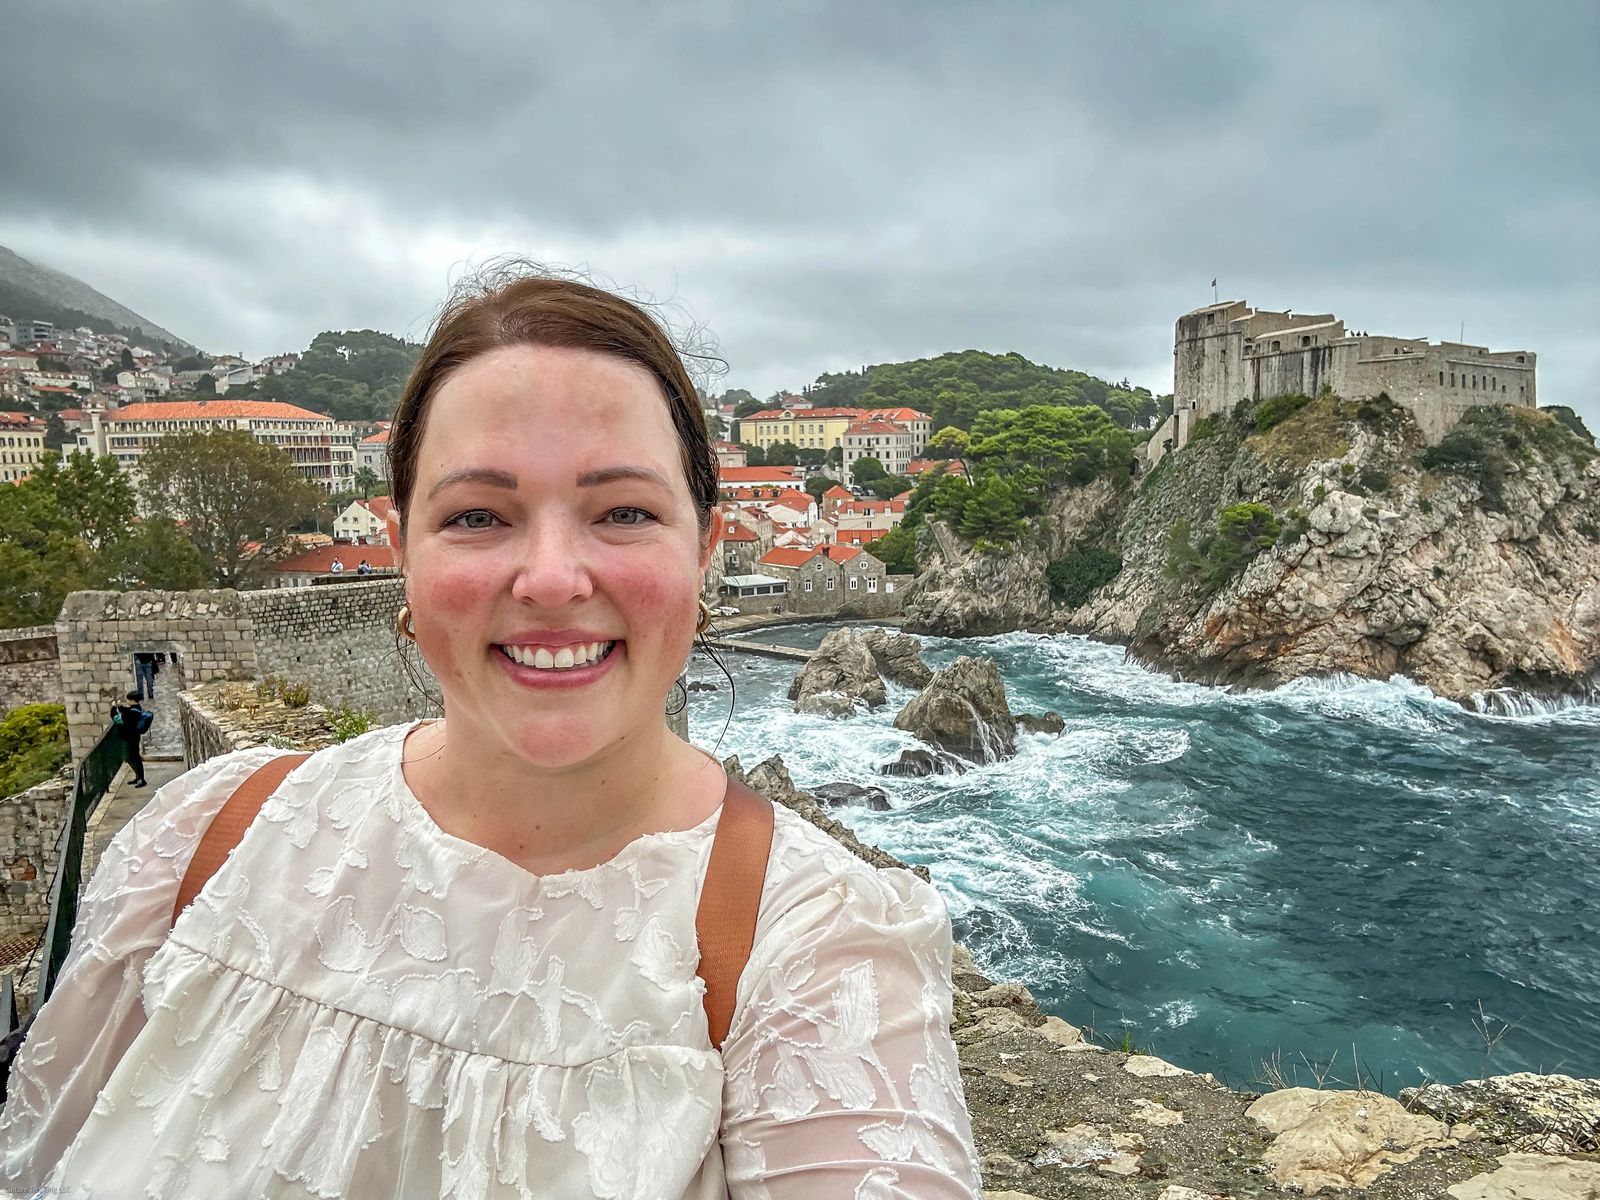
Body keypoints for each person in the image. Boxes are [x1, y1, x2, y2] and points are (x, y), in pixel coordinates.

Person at [0, 270, 981, 1198]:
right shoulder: (198, 844)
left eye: (624, 510)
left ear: (706, 548)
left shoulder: (823, 957)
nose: (551, 579)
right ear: (401, 551)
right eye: (478, 515)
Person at [109, 690, 148, 787]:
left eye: (128, 700)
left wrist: (113, 708)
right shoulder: (137, 709)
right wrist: (120, 707)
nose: (127, 701)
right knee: (134, 757)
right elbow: (126, 711)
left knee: (132, 757)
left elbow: (116, 718)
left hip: (129, 738)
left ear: (132, 700)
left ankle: (141, 779)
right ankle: (138, 777)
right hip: (134, 736)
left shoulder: (131, 713)